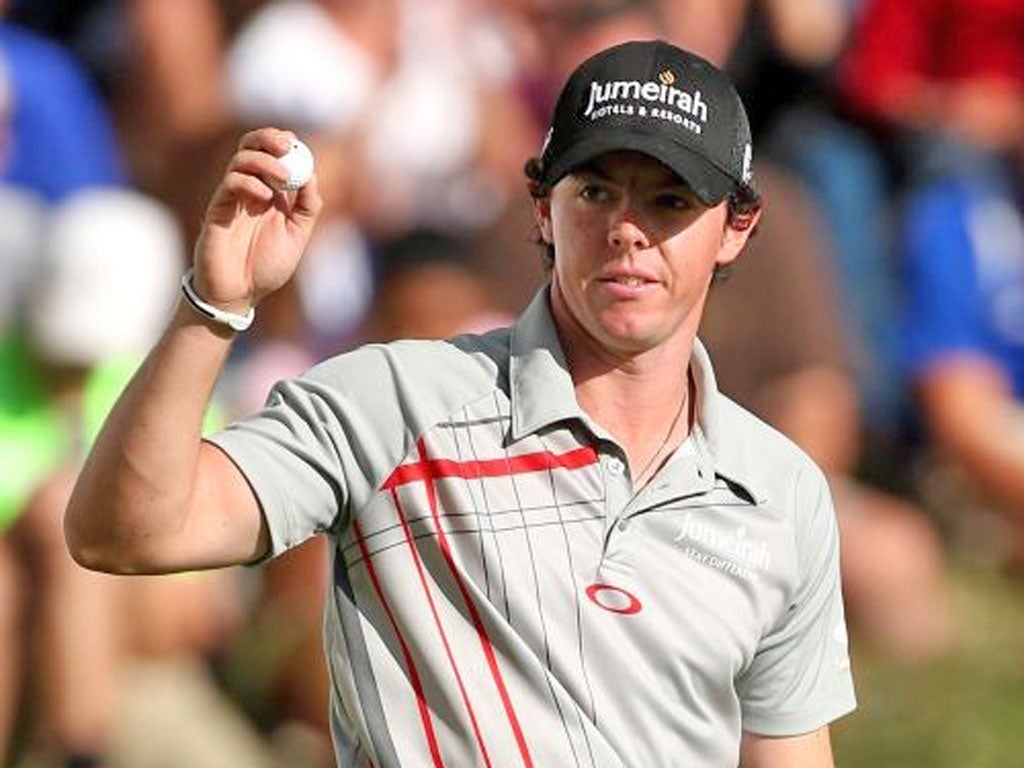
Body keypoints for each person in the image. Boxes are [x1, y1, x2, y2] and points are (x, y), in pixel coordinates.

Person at [66, 40, 857, 767]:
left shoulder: (781, 491)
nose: (626, 230)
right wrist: (213, 308)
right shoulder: (391, 399)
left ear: (736, 229)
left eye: (671, 203)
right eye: (597, 191)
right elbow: (126, 532)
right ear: (542, 208)